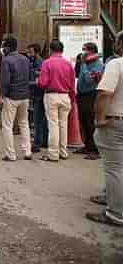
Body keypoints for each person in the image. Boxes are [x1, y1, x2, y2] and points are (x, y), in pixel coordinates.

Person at [86, 31, 123, 227]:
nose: (115, 44)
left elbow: (104, 94)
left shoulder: (116, 64)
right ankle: (111, 196)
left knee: (114, 168)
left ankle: (116, 212)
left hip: (115, 122)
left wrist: (99, 118)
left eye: (117, 41)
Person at [38, 39, 76, 162]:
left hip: (52, 96)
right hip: (65, 96)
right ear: (62, 50)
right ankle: (63, 152)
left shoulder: (47, 63)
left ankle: (53, 154)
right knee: (63, 125)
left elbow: (43, 83)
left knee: (53, 125)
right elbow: (72, 84)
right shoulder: (68, 64)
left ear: (50, 50)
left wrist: (38, 81)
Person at [0, 36, 32, 161]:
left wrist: (1, 95)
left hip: (12, 97)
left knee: (7, 125)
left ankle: (10, 154)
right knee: (24, 123)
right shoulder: (25, 59)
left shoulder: (7, 61)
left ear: (7, 47)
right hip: (25, 96)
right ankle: (27, 151)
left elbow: (5, 81)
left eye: (3, 46)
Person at [75, 42, 104, 160]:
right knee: (83, 121)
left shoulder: (97, 64)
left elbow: (88, 80)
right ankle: (87, 146)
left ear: (92, 51)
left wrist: (83, 65)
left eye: (85, 50)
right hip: (82, 95)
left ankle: (95, 150)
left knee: (90, 122)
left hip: (91, 95)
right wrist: (79, 63)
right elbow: (77, 75)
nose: (83, 52)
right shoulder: (86, 63)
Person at [28, 44, 49, 153]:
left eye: (31, 52)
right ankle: (43, 141)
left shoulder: (40, 63)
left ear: (37, 52)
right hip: (37, 94)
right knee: (41, 119)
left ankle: (37, 142)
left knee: (38, 119)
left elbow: (40, 80)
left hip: (39, 94)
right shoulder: (33, 62)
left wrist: (29, 83)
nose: (29, 54)